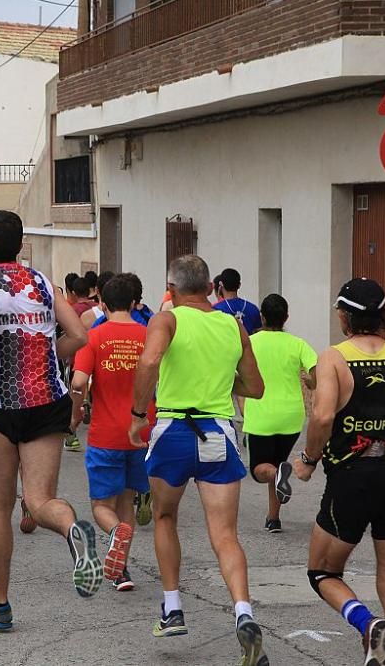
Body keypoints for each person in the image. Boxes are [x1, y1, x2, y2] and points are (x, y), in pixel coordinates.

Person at [0, 210, 99, 632]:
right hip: (46, 400)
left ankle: (0, 602)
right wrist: (45, 352)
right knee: (39, 502)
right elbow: (80, 336)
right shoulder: (42, 282)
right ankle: (73, 528)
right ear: (20, 246)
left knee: (0, 506)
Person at [292, 278, 385, 666]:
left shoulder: (334, 357)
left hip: (352, 476)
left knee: (322, 572)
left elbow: (324, 415)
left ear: (344, 316)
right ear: (382, 316)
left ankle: (367, 621)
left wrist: (309, 460)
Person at [128, 255, 267, 665]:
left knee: (165, 517)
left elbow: (150, 361)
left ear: (170, 290)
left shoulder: (167, 320)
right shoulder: (233, 324)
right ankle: (244, 613)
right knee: (225, 535)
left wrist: (137, 415)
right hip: (218, 434)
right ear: (210, 288)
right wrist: (225, 378)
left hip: (173, 430)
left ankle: (173, 608)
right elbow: (255, 387)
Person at [71, 274, 149, 592]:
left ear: (102, 302)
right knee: (127, 500)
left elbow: (78, 382)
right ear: (134, 303)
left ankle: (115, 534)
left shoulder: (95, 336)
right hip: (141, 432)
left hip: (106, 434)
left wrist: (77, 407)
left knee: (102, 505)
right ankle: (122, 573)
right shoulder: (148, 336)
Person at [242, 294, 317, 533]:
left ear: (262, 317)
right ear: (286, 318)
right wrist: (310, 382)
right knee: (277, 461)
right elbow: (317, 374)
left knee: (259, 470)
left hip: (260, 415)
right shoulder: (298, 344)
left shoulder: (250, 342)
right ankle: (273, 518)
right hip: (291, 417)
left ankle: (276, 474)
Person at [213, 269, 262, 335]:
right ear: (239, 285)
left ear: (221, 285)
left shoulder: (215, 310)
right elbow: (258, 334)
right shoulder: (253, 309)